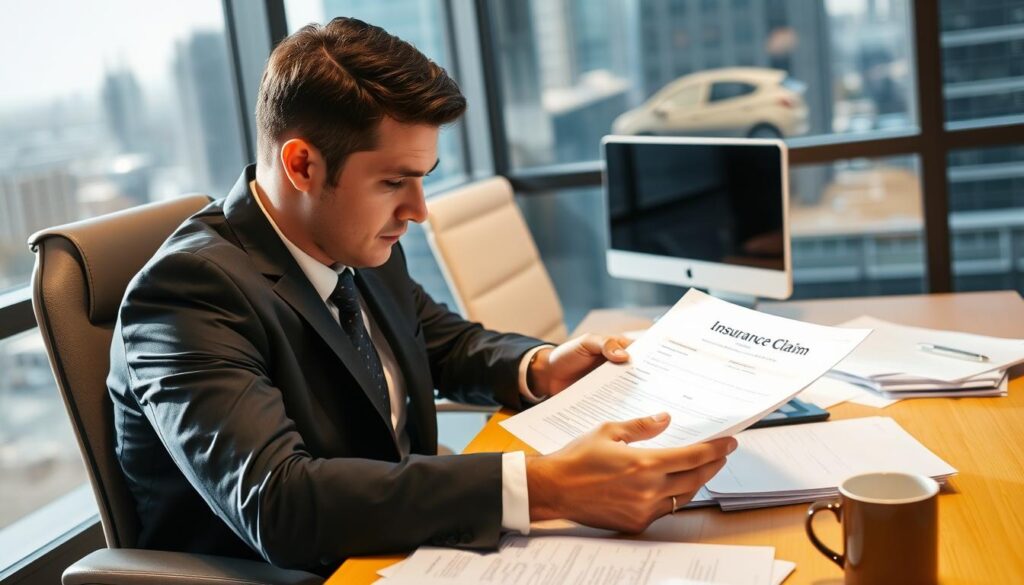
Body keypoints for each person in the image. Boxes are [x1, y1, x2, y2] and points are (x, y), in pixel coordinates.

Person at [107, 17, 737, 575]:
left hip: (410, 550)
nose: (419, 211)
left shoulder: (354, 239)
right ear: (302, 165)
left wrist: (540, 368)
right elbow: (279, 503)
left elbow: (439, 340)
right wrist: (541, 487)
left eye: (422, 179)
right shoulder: (187, 294)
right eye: (393, 182)